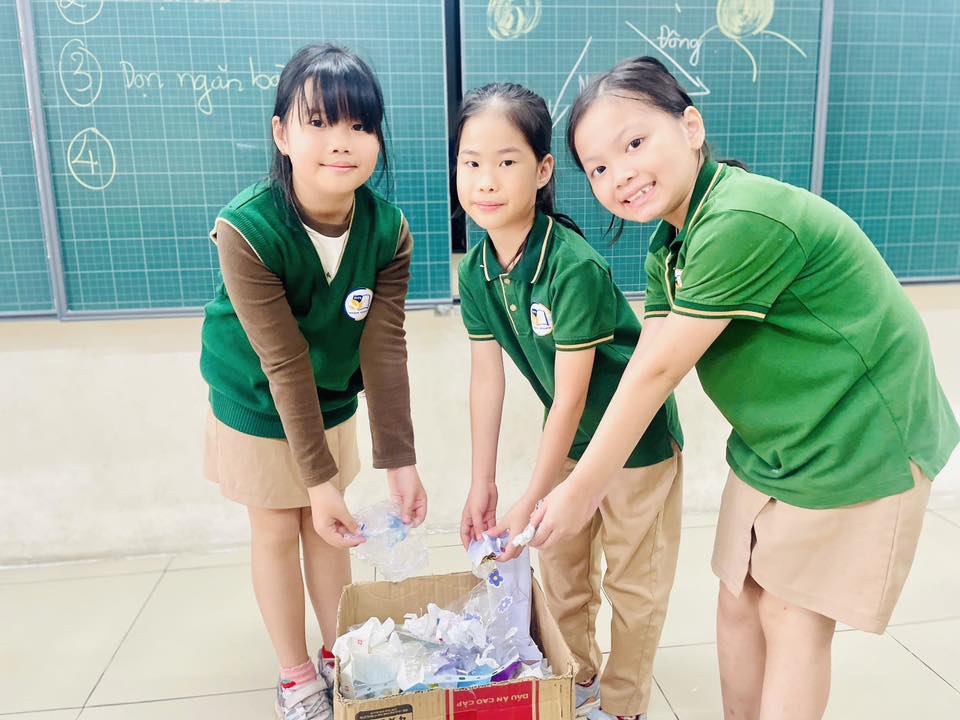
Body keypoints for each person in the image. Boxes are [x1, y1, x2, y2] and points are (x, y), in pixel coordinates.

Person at [530, 56, 959, 720]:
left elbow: (660, 372)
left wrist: (583, 489)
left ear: (691, 127)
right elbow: (649, 360)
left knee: (790, 613)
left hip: (858, 434)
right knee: (738, 599)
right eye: (599, 168)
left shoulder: (742, 216)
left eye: (635, 143)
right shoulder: (672, 244)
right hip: (777, 440)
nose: (621, 175)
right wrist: (577, 481)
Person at [199, 43, 427, 720]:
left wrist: (400, 460)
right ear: (282, 134)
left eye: (360, 125)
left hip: (328, 397)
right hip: (255, 400)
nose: (342, 141)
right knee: (278, 528)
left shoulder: (388, 230)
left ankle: (341, 652)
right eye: (320, 122)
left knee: (332, 529)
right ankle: (296, 674)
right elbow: (282, 361)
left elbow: (384, 348)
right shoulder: (247, 228)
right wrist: (319, 481)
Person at [455, 82, 684, 720]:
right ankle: (576, 680)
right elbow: (487, 380)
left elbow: (574, 395)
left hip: (634, 443)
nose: (486, 180)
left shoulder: (572, 265)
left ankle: (624, 704)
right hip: (569, 440)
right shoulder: (476, 270)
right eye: (471, 163)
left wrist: (530, 495)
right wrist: (483, 484)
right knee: (559, 569)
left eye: (507, 161)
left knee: (633, 584)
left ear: (543, 170)